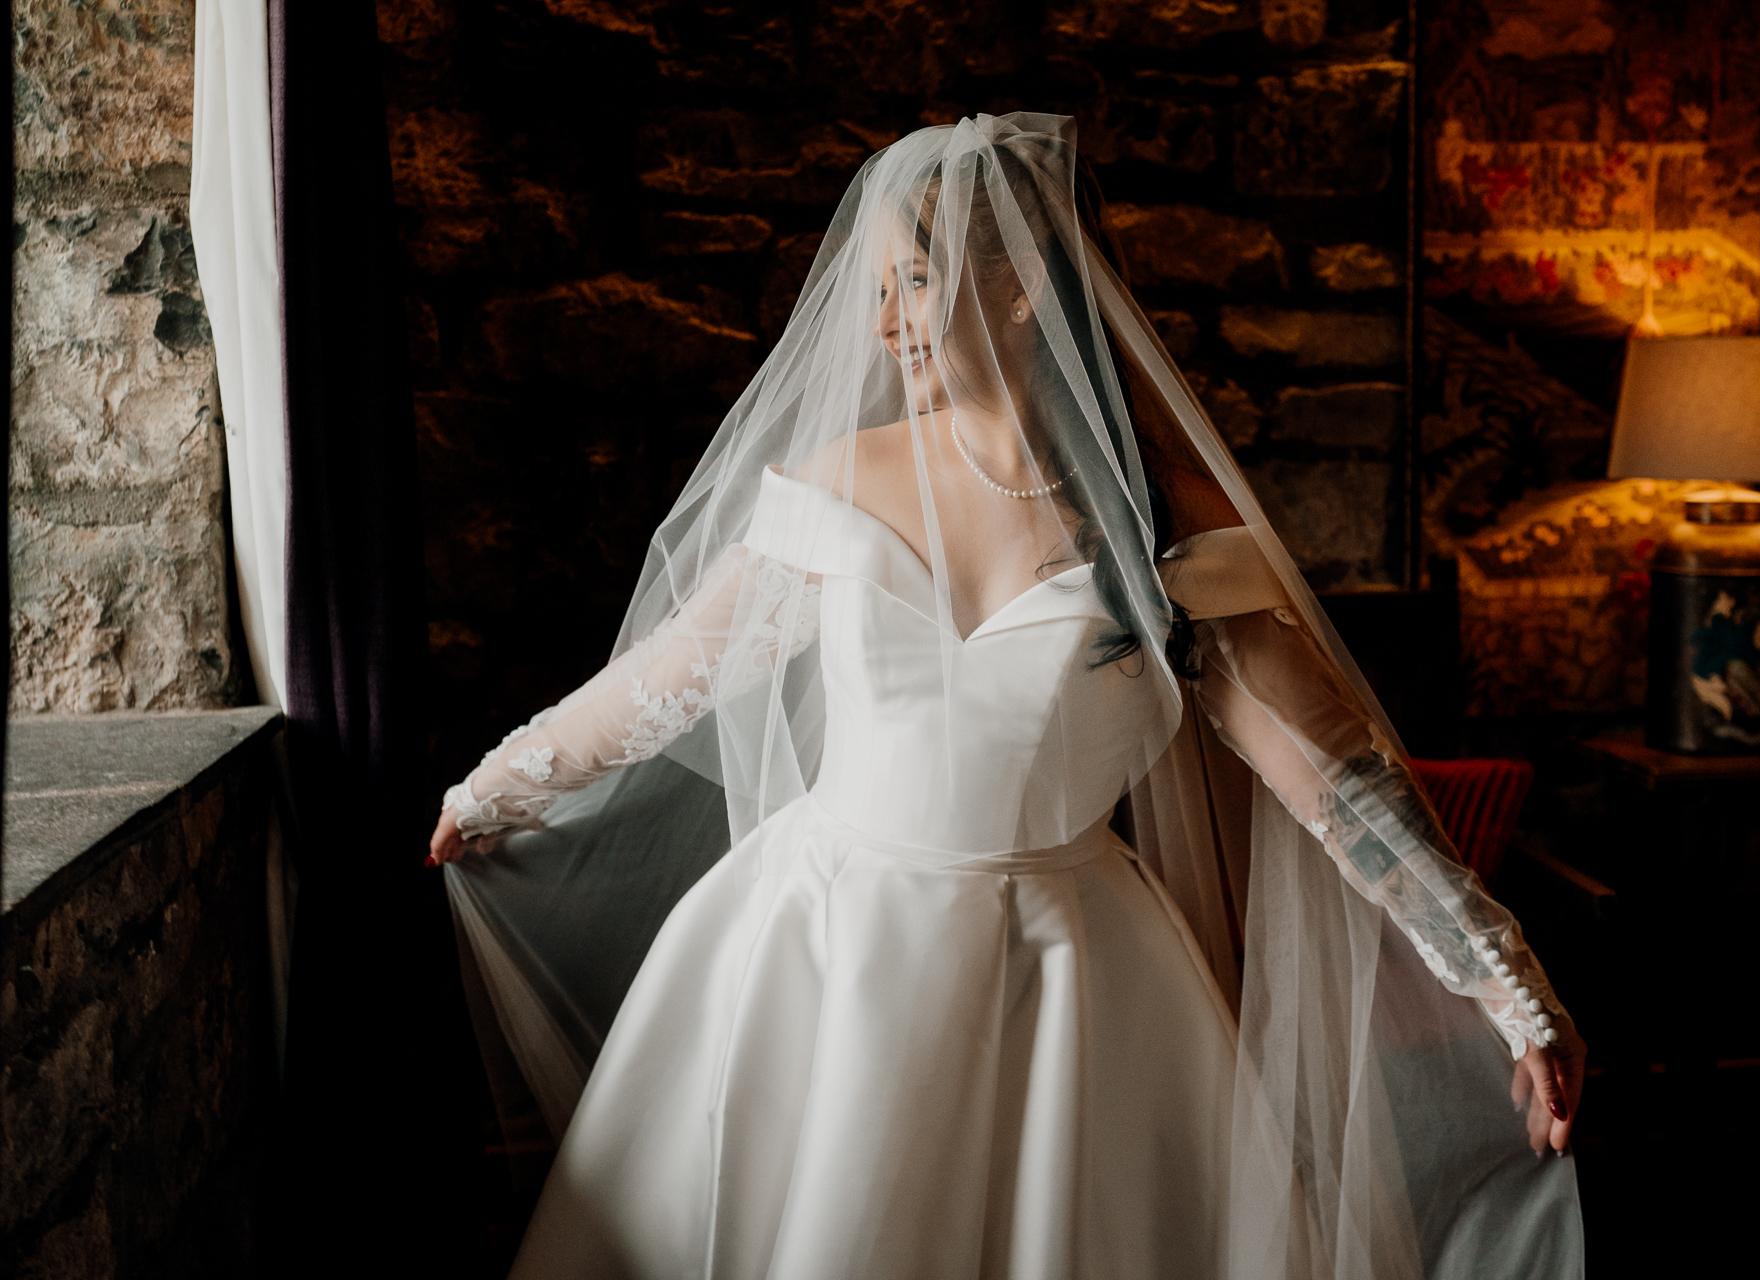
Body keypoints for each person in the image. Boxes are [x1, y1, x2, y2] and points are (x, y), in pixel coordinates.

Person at [428, 113, 1586, 1279]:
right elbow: (668, 678)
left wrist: (1511, 990)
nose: (881, 322)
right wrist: (495, 787)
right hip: (820, 952)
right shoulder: (836, 481)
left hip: (1068, 975)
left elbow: (1338, 779)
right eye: (876, 286)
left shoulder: (1162, 520)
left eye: (914, 281)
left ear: (1026, 283)